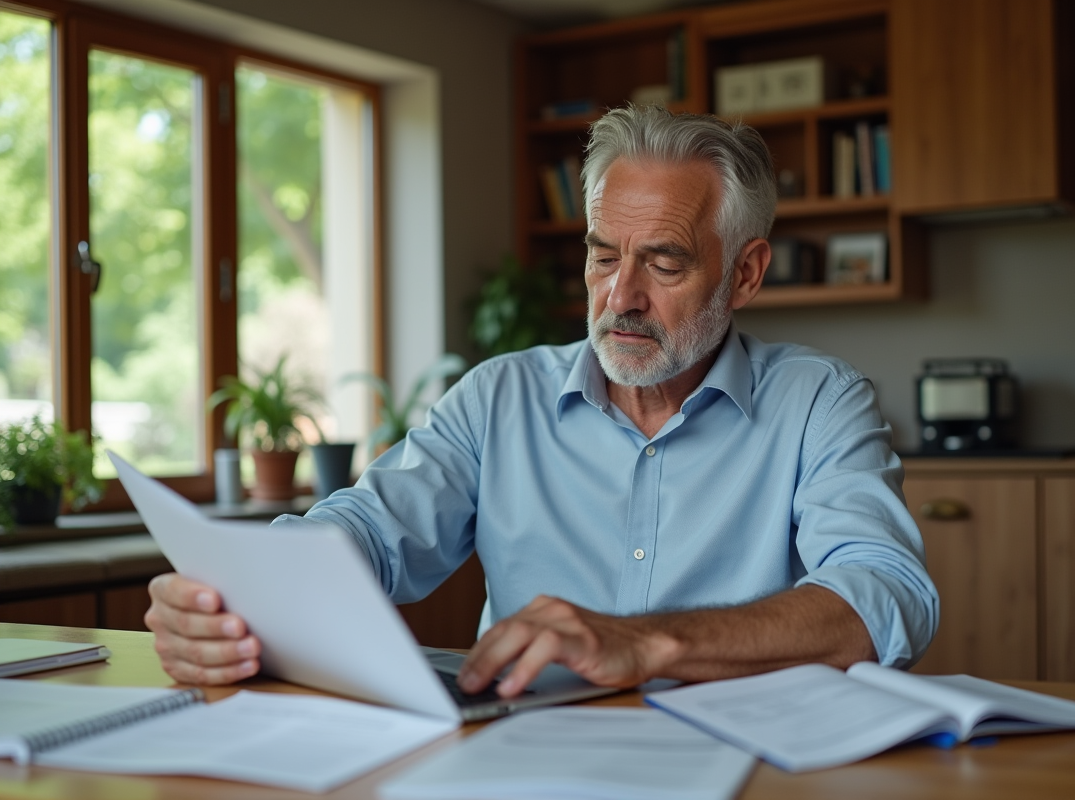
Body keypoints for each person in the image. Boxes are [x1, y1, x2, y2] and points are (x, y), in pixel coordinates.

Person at [146, 105, 938, 697]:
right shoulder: (499, 397)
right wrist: (243, 598)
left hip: (753, 762)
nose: (619, 296)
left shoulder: (819, 402)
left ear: (746, 273)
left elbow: (884, 593)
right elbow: (368, 532)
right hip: (524, 758)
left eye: (663, 262)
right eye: (602, 255)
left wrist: (648, 643)